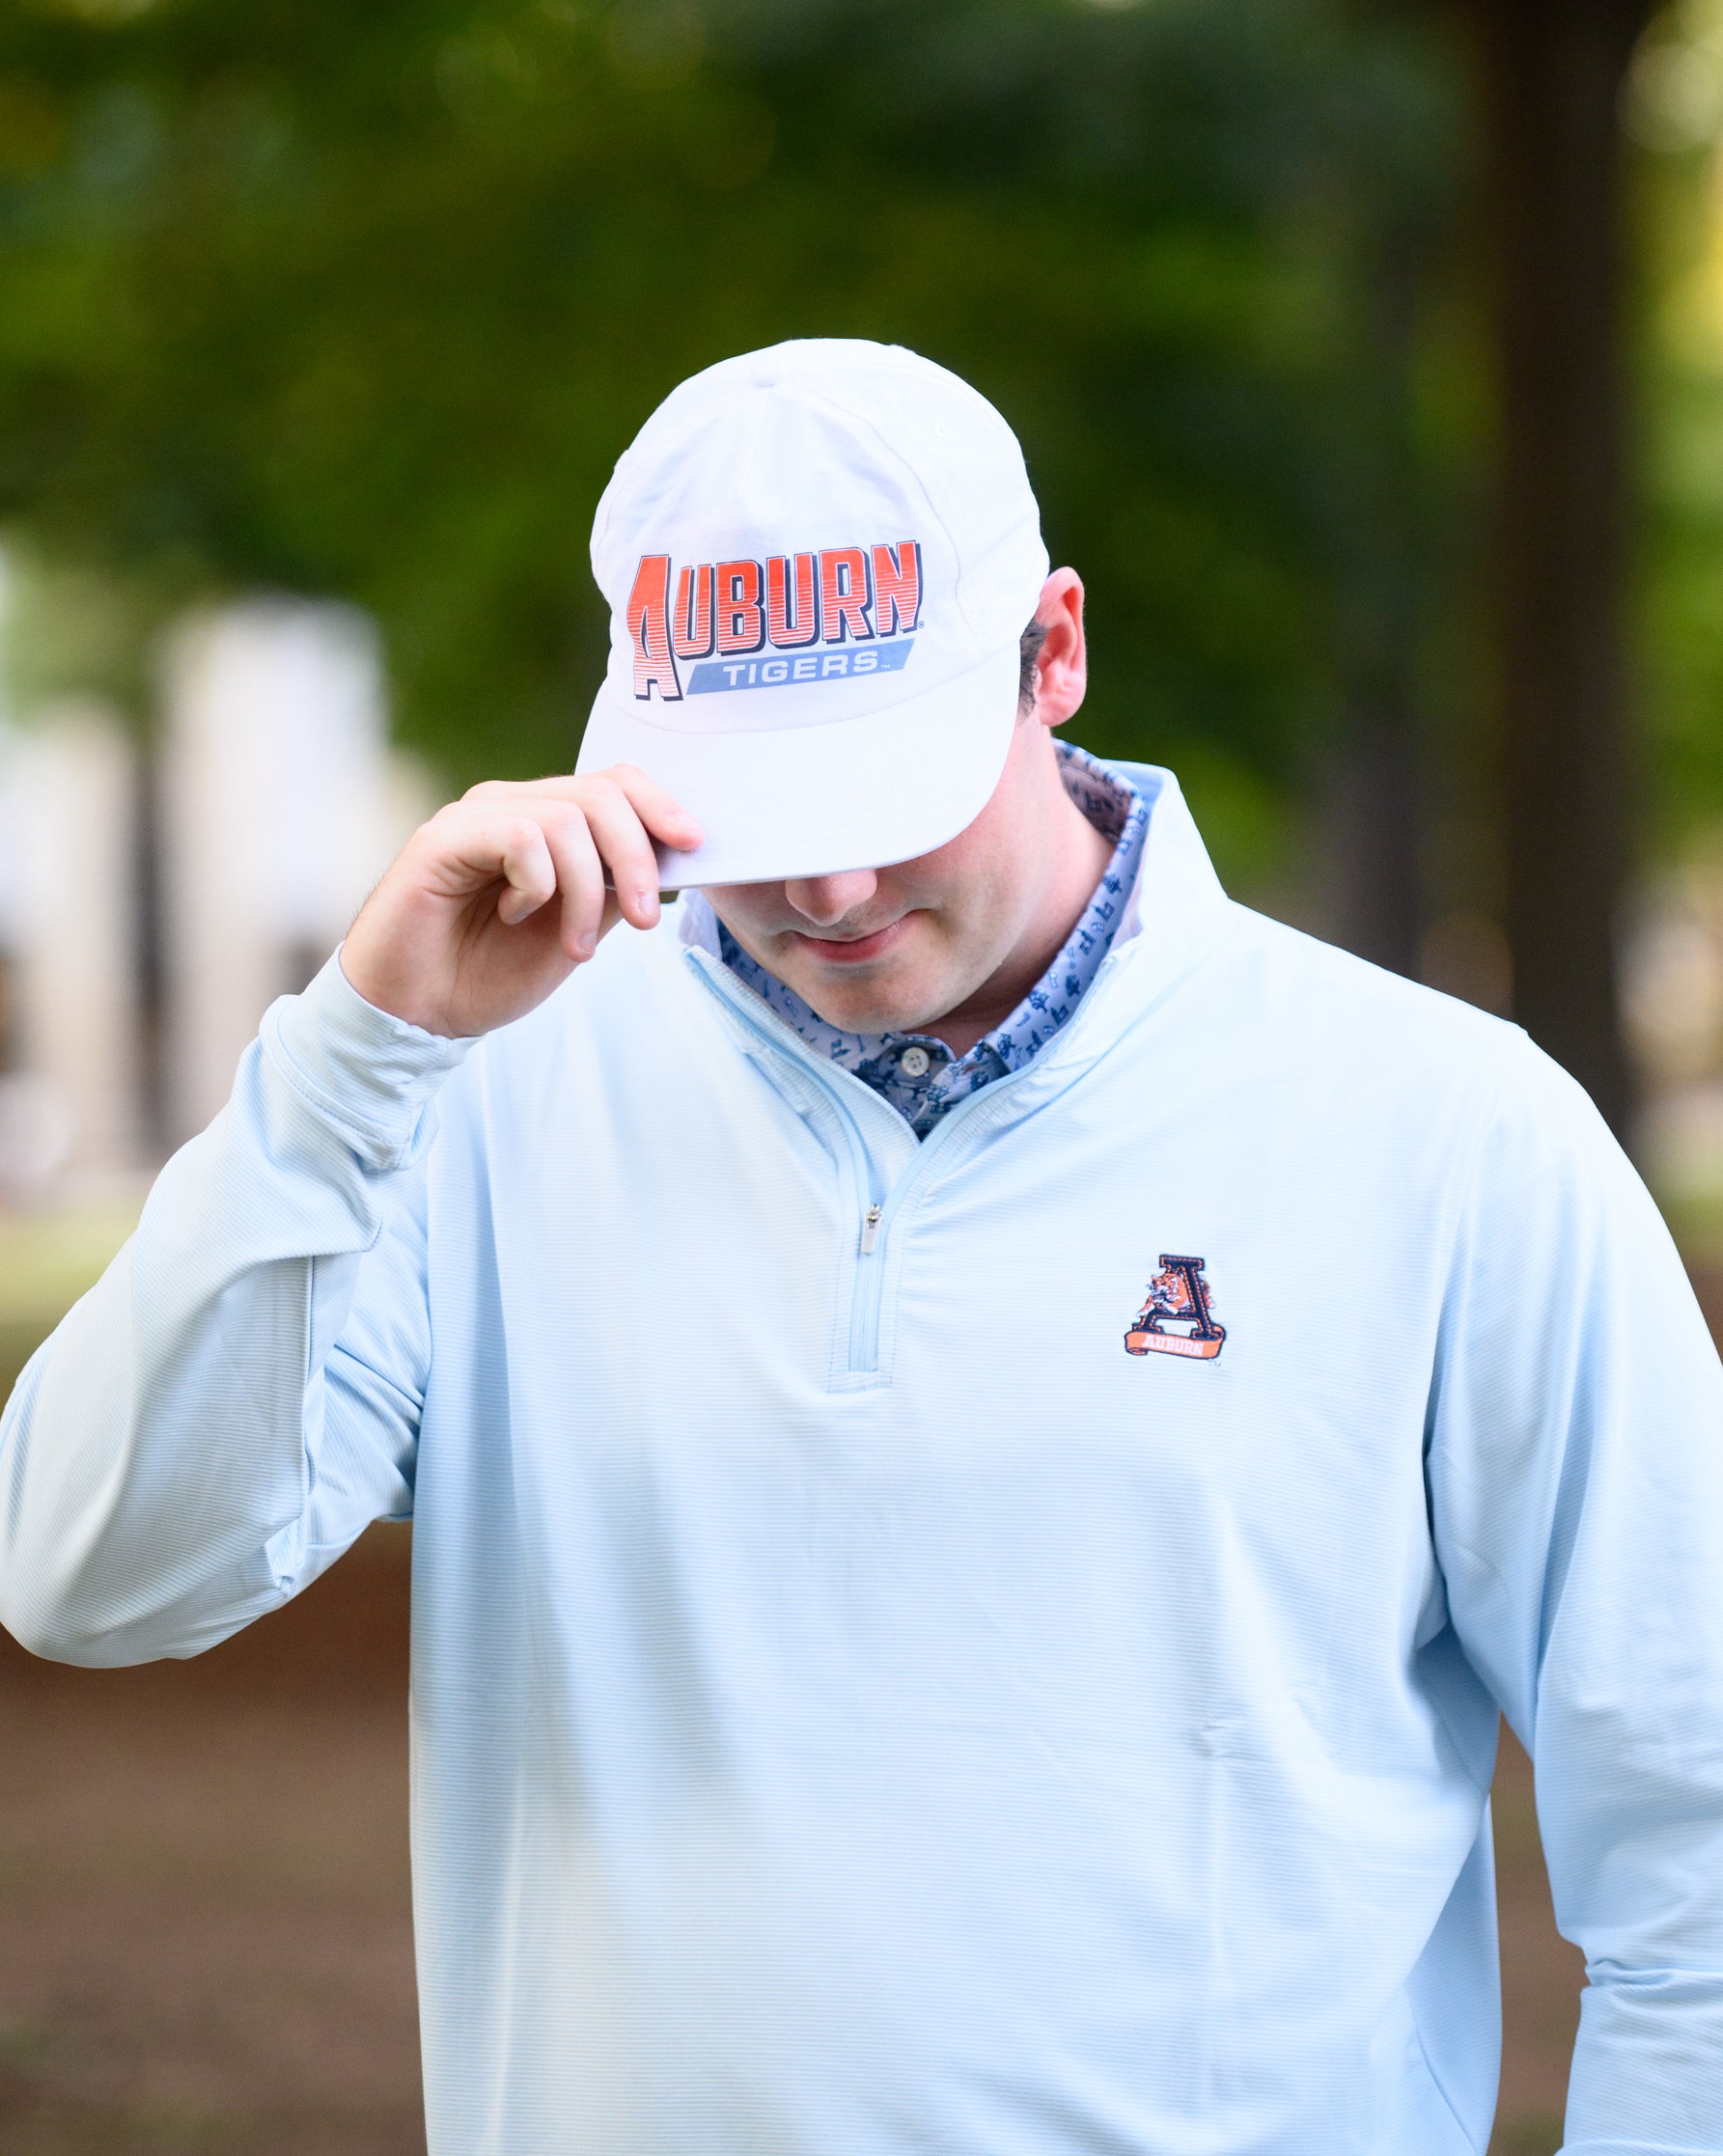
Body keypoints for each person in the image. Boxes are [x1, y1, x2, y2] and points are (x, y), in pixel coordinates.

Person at [2, 337, 1721, 2156]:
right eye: (758, 807)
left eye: (879, 793)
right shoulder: (468, 1108)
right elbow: (92, 1576)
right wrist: (353, 1059)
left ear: (1051, 654)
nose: (827, 892)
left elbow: (1692, 1832)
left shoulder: (1446, 1129)